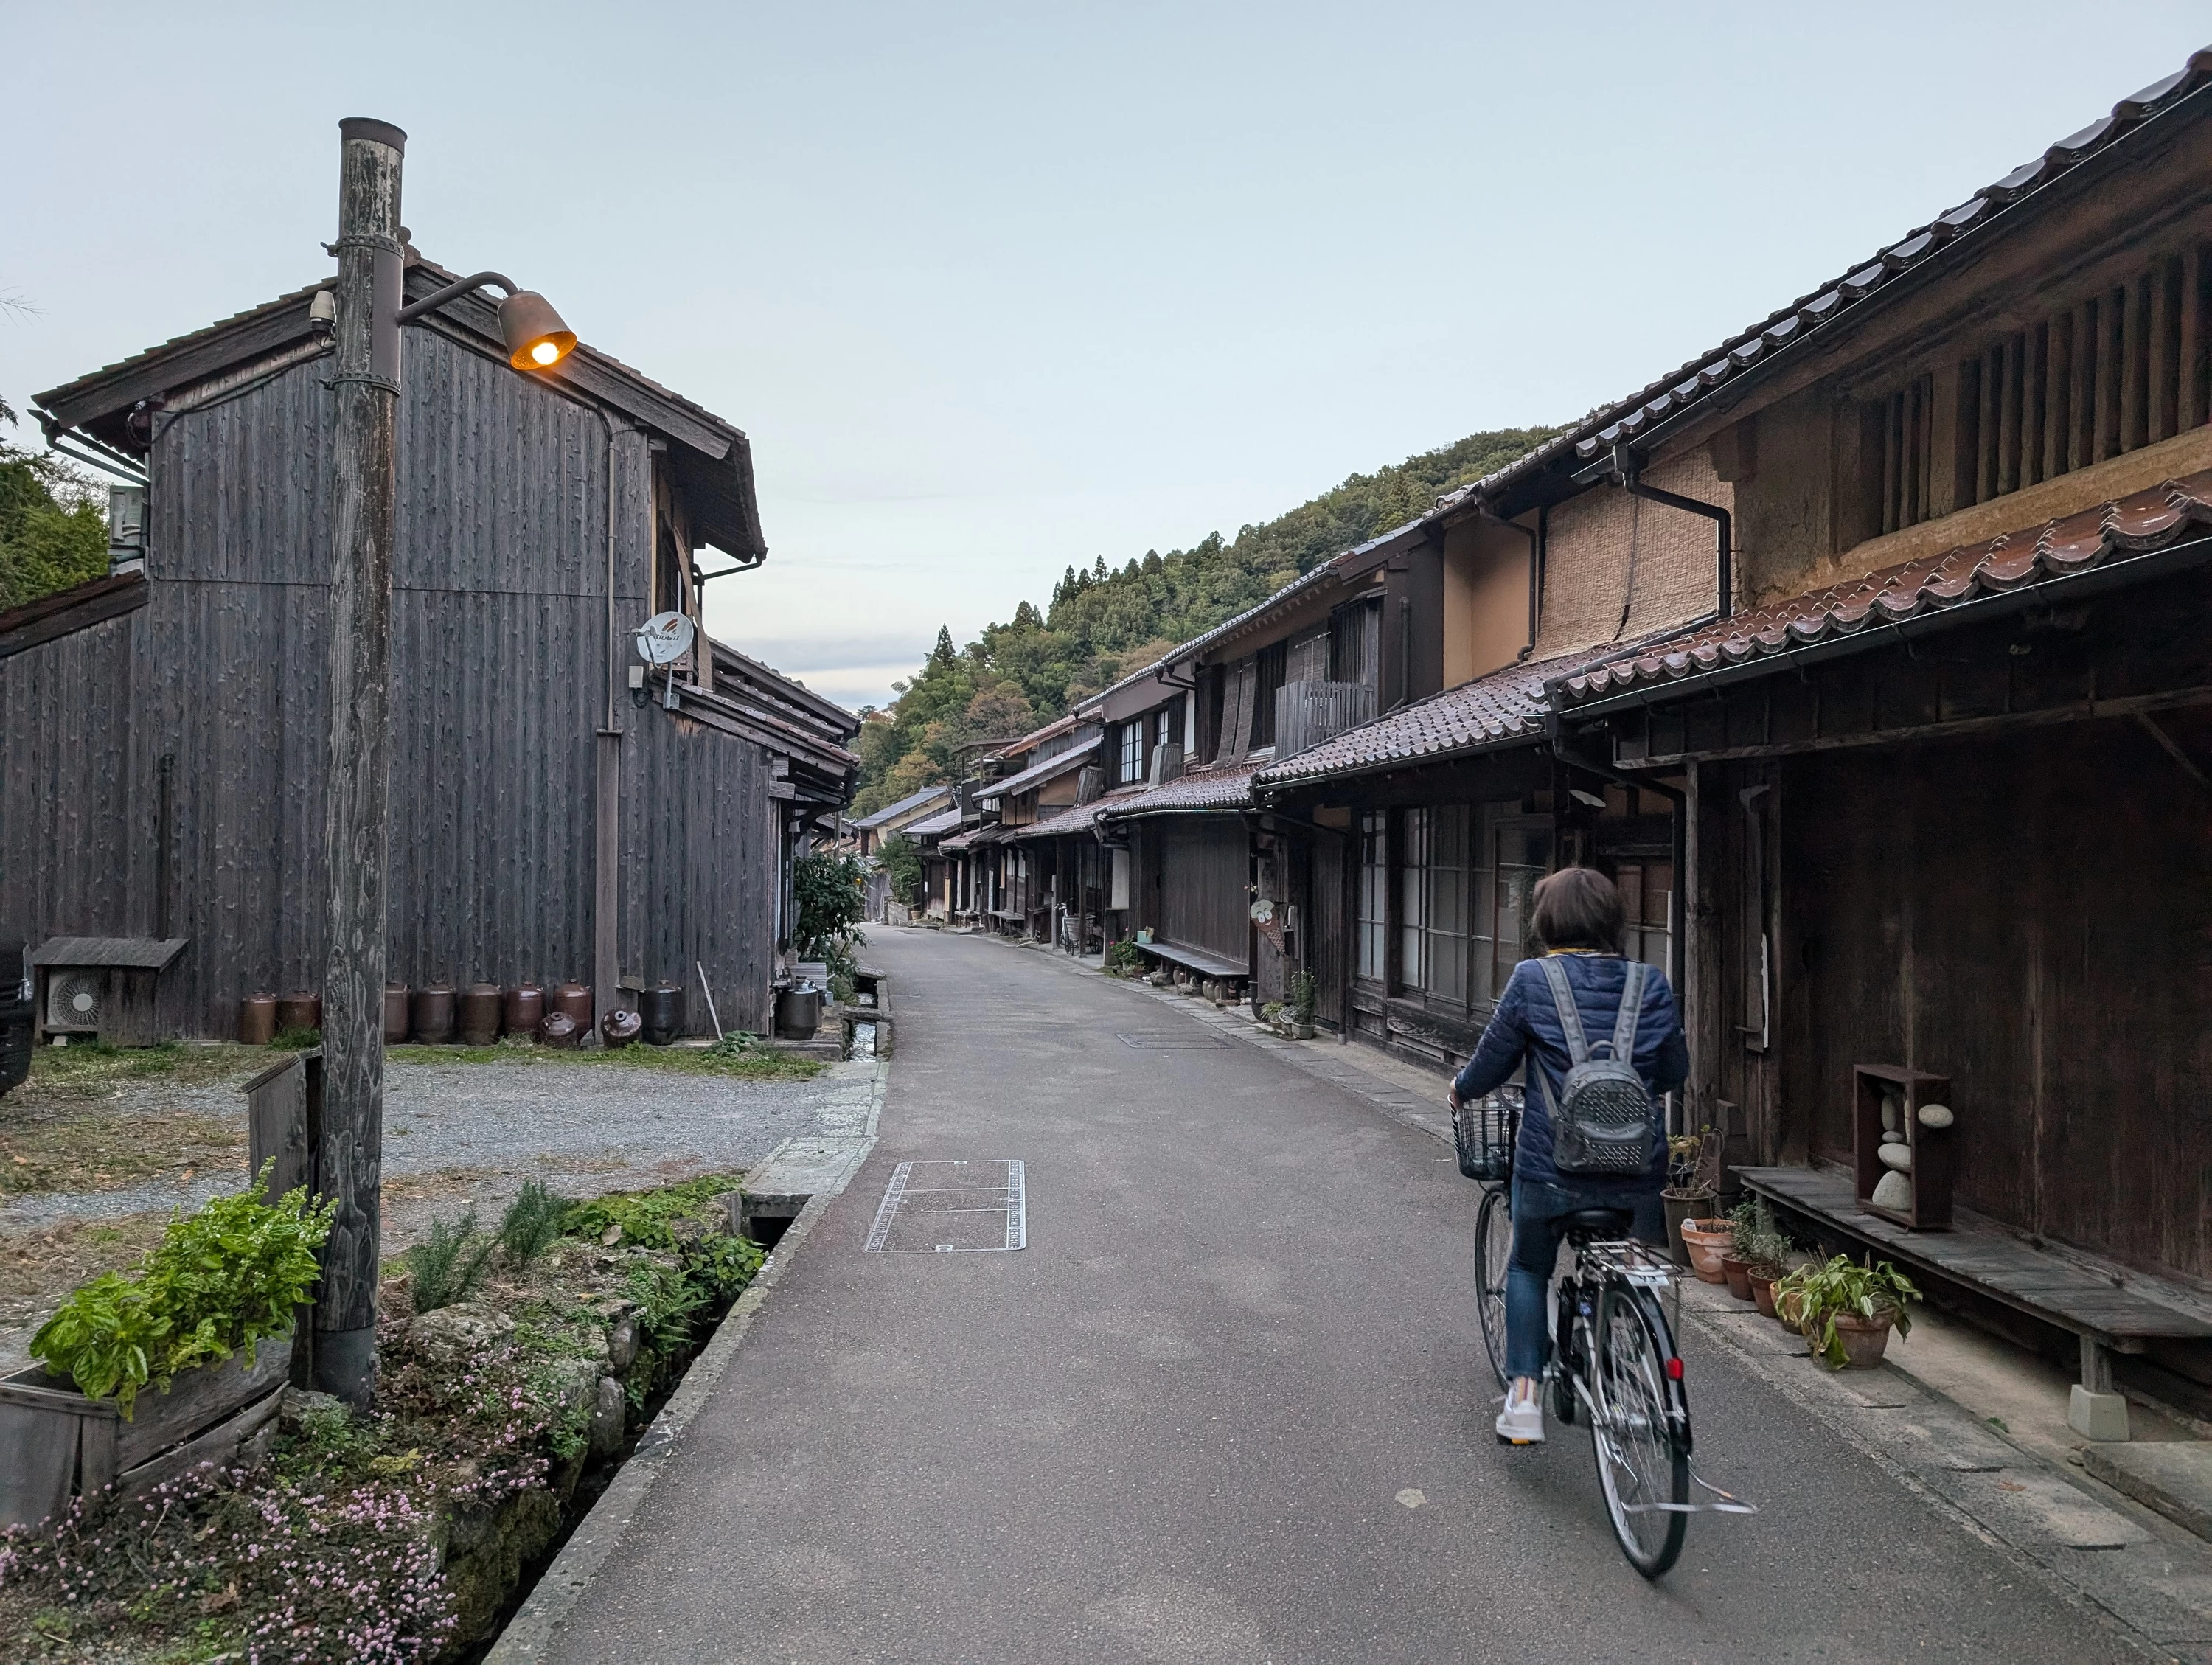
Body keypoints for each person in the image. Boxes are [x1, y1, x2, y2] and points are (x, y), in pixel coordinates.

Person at [1449, 866, 1688, 1445]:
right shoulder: (1650, 984)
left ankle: (1525, 1398)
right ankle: (1624, 1353)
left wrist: (1461, 1089)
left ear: (1546, 922)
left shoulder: (1533, 979)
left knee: (1529, 1264)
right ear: (1612, 922)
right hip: (1635, 1169)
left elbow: (1493, 1061)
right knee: (1623, 1253)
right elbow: (1674, 1072)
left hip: (1550, 1169)